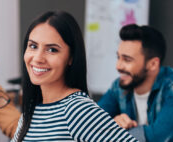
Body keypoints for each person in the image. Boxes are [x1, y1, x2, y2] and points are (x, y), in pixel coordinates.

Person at [11, 11, 137, 142]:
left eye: (52, 49)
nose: (38, 58)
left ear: (71, 57)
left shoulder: (77, 109)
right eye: (33, 46)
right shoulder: (30, 111)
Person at [98, 24, 173, 142]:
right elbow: (92, 124)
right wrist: (113, 122)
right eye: (118, 57)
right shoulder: (119, 87)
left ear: (153, 64)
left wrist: (113, 130)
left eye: (127, 60)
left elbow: (155, 138)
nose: (118, 66)